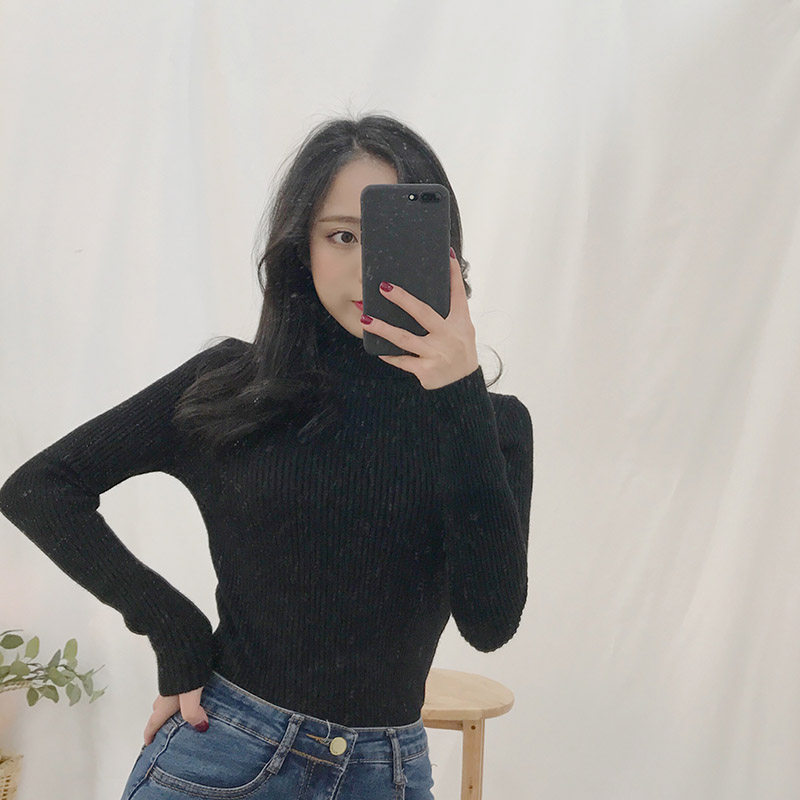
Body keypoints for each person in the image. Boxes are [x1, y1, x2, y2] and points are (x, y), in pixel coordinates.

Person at [0, 113, 534, 800]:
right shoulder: (232, 387)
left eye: (393, 239)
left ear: (444, 253)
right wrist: (174, 628)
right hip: (224, 753)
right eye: (342, 236)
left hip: (387, 775)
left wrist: (458, 393)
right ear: (301, 247)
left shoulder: (491, 425)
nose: (367, 269)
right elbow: (41, 488)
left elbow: (490, 624)